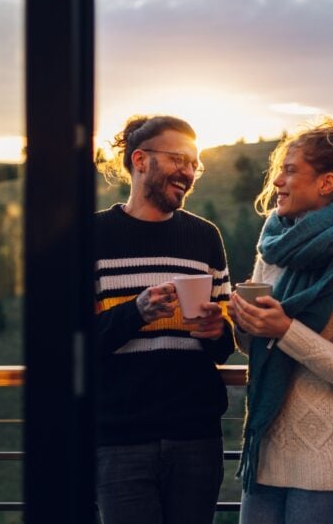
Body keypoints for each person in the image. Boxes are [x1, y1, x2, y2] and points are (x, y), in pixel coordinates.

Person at [227, 117, 333, 524]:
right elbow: (258, 346)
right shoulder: (274, 253)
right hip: (267, 462)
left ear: (326, 183)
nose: (277, 182)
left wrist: (285, 329)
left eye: (289, 170)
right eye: (278, 170)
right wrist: (244, 323)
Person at [94, 114, 236, 524]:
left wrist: (216, 331)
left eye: (195, 163)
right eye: (178, 159)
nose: (189, 172)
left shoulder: (205, 237)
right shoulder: (93, 236)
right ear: (140, 160)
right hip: (119, 439)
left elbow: (223, 347)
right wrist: (135, 312)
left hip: (196, 435)